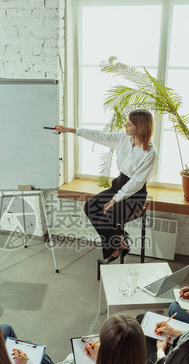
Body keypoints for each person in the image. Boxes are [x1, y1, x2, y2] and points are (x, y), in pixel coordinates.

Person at [55, 109, 157, 262]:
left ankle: (115, 249)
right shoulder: (124, 138)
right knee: (90, 206)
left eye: (129, 124)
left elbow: (136, 182)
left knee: (106, 217)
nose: (125, 125)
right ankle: (120, 240)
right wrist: (70, 130)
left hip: (134, 194)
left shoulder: (150, 152)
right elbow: (99, 136)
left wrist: (115, 200)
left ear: (140, 127)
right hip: (118, 185)